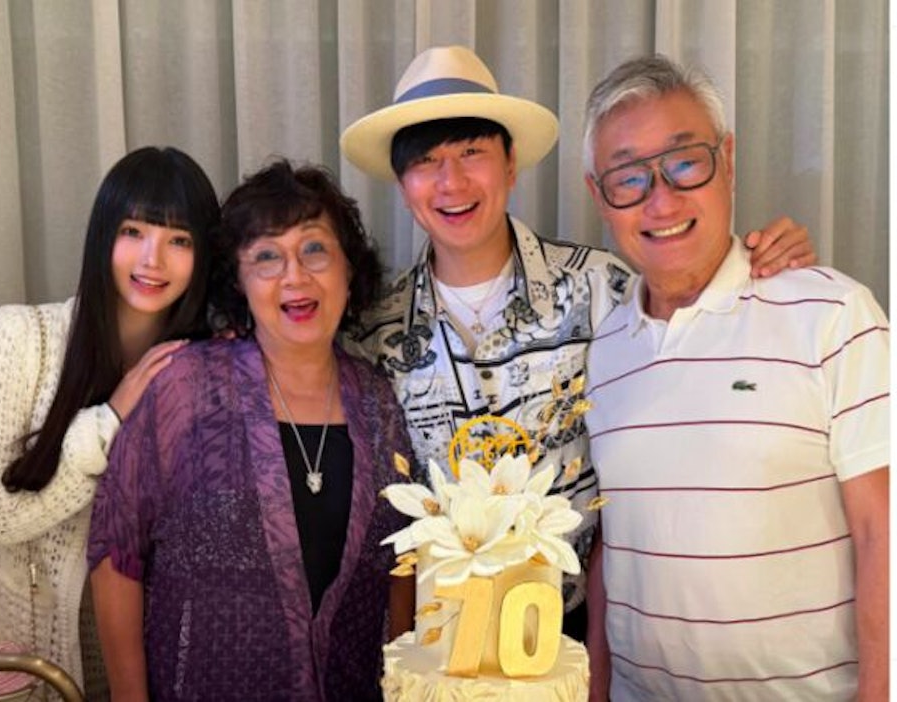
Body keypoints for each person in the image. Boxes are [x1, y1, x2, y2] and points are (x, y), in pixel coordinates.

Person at [338, 44, 816, 639]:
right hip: (442, 644)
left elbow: (707, 353)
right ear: (402, 183)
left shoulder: (604, 290)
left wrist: (763, 262)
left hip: (589, 632)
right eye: (426, 161)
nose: (451, 181)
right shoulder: (372, 335)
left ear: (511, 164)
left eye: (471, 152)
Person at [581, 55, 889, 701]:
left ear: (728, 160)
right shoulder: (605, 349)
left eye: (685, 162)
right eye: (628, 177)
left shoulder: (833, 315)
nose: (661, 198)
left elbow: (881, 530)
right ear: (599, 196)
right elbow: (618, 542)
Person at [88, 159, 415, 702]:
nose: (295, 276)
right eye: (266, 256)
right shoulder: (186, 387)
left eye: (315, 249)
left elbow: (402, 561)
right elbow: (115, 552)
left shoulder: (378, 401)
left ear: (348, 270)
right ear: (237, 282)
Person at [0, 146, 220, 700]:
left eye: (179, 240)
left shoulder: (203, 370)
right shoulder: (19, 337)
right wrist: (110, 418)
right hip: (31, 671)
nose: (152, 259)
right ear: (103, 235)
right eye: (133, 231)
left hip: (150, 669)